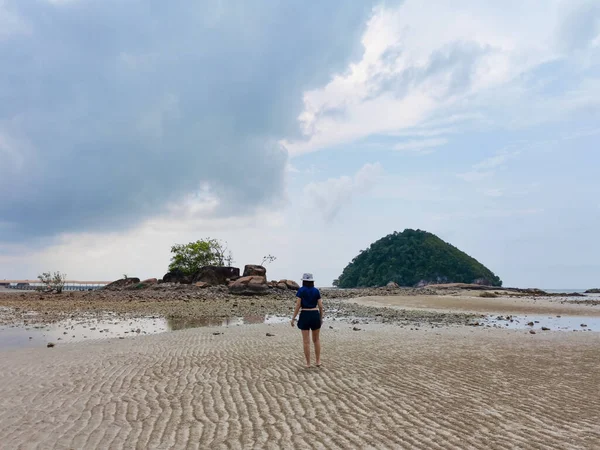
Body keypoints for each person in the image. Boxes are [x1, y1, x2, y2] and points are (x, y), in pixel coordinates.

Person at [291, 273, 323, 368]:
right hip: (314, 314)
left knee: (306, 341)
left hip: (305, 314)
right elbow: (321, 306)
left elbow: (298, 305)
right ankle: (317, 361)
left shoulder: (301, 290)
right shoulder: (316, 291)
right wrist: (320, 318)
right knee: (316, 340)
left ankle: (308, 363)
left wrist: (293, 318)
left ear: (303, 281)